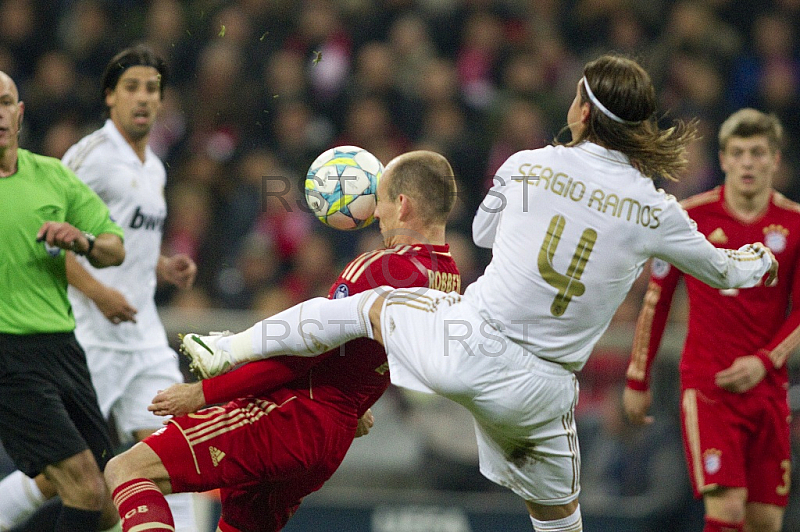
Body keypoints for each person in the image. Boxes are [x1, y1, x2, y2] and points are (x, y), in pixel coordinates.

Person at [179, 54, 779, 532]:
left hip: (470, 346)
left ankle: (229, 349)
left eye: (576, 97)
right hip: (543, 391)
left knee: (365, 305)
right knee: (561, 521)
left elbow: (489, 234)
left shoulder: (527, 165)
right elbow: (729, 272)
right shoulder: (657, 210)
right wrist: (763, 259)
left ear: (586, 112)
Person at [103, 150, 461, 532]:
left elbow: (303, 353)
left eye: (384, 201)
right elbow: (382, 356)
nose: (376, 213)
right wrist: (355, 402)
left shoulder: (379, 267)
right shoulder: (449, 279)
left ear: (403, 205)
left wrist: (204, 393)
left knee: (128, 469)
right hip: (331, 443)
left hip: (290, 416)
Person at [0, 45, 199, 531]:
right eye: (132, 87)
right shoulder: (87, 156)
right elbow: (48, 236)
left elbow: (119, 236)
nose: (143, 99)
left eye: (152, 89)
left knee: (174, 454)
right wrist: (97, 292)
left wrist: (160, 264)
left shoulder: (155, 167)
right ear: (110, 96)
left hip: (142, 334)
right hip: (87, 335)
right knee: (73, 475)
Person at [623, 108, 798, 532]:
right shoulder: (690, 219)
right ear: (722, 160)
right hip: (708, 388)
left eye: (758, 153)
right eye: (738, 153)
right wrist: (636, 378)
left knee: (766, 521)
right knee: (728, 509)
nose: (748, 163)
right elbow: (656, 299)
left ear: (775, 160)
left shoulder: (794, 224)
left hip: (768, 389)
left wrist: (764, 360)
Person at [0, 69, 126, 532]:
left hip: (62, 349)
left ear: (19, 112)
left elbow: (115, 247)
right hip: (7, 354)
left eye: (4, 102)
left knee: (108, 497)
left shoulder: (52, 176)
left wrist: (84, 242)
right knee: (83, 488)